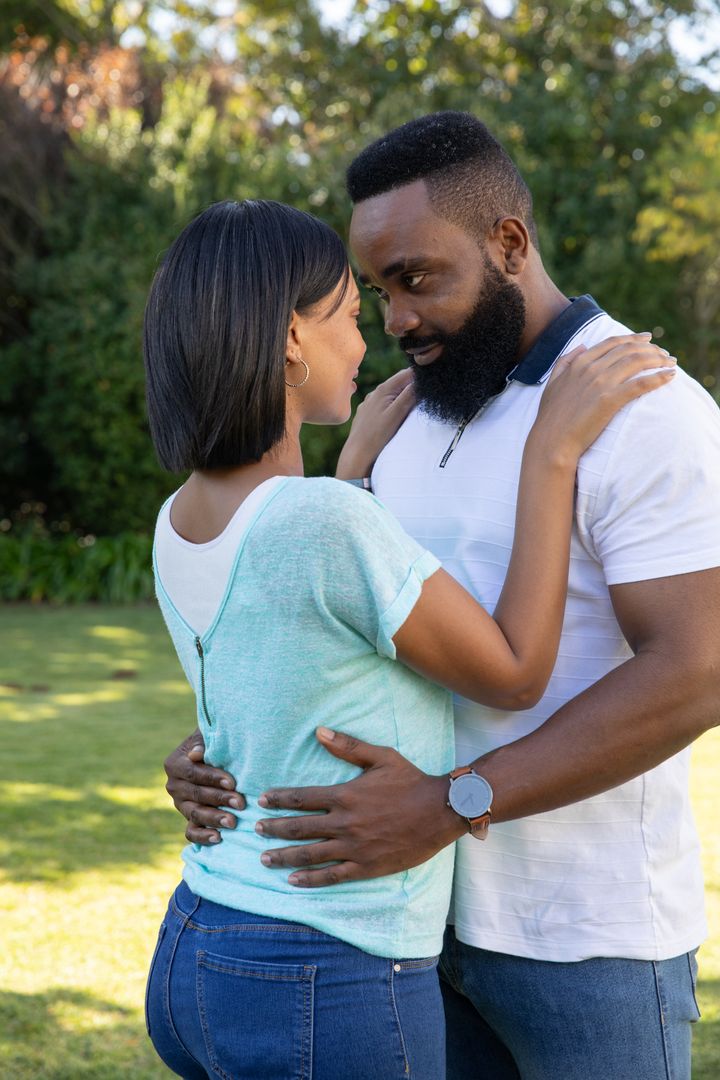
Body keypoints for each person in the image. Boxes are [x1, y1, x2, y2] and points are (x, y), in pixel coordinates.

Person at [163, 114, 720, 1080]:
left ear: (508, 243)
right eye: (375, 292)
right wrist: (234, 736)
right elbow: (333, 614)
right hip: (395, 935)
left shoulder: (640, 409)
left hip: (580, 940)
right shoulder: (410, 413)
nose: (395, 322)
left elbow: (700, 668)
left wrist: (455, 802)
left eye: (416, 279)